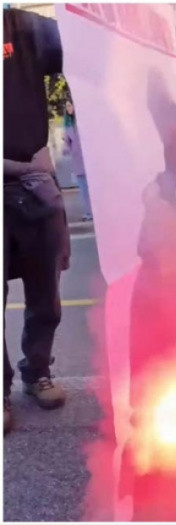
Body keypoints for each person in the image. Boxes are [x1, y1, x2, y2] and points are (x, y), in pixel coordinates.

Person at [4, 7, 70, 432]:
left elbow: (84, 49)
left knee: (45, 294)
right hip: (19, 176)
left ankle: (37, 372)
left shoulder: (21, 27)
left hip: (33, 184)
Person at [63, 100, 92, 221]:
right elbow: (66, 145)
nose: (68, 108)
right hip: (77, 161)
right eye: (67, 106)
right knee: (83, 190)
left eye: (70, 105)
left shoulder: (83, 121)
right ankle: (88, 213)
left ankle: (96, 212)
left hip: (89, 160)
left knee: (93, 188)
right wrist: (65, 146)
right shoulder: (68, 125)